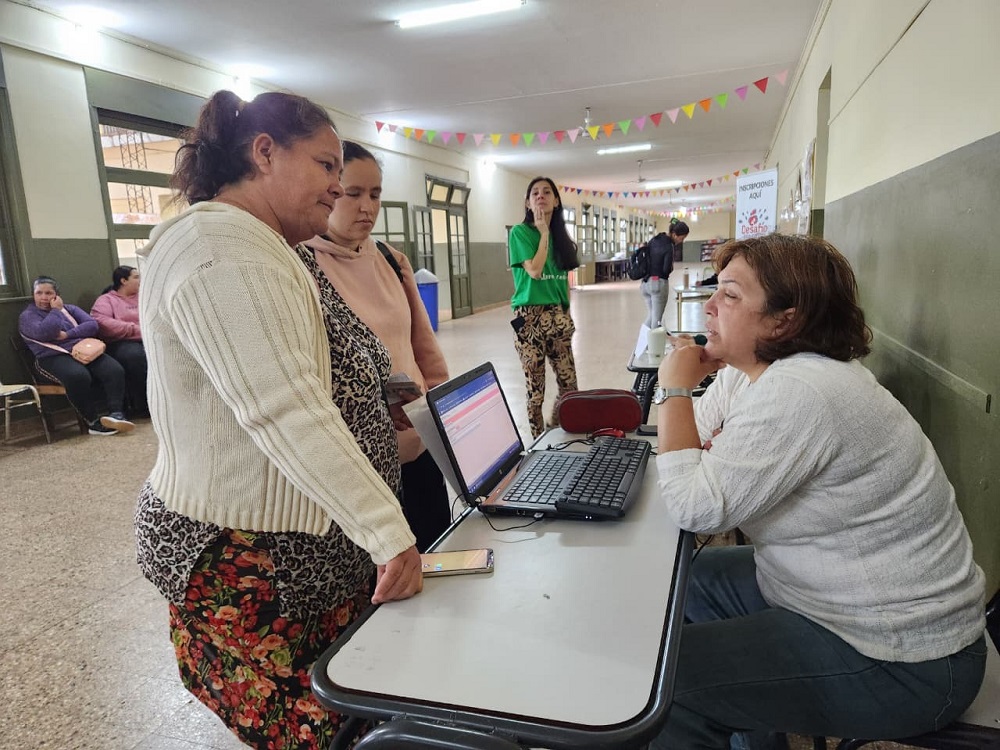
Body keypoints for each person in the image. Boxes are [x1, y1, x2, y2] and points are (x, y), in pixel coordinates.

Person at [133, 90, 422, 750]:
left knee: (349, 699)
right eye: (325, 164)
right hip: (245, 549)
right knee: (314, 725)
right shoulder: (218, 248)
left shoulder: (267, 245)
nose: (338, 184)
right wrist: (386, 531)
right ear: (265, 152)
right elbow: (281, 405)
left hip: (299, 541)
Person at [650, 234, 986, 749]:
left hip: (909, 661)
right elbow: (696, 434)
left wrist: (672, 387)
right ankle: (757, 729)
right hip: (829, 600)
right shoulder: (756, 372)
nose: (710, 304)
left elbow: (695, 506)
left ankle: (716, 709)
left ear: (784, 320)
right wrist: (692, 434)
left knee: (669, 686)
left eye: (732, 296)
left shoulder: (802, 391)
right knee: (697, 578)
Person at [302, 141, 451, 552]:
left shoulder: (389, 258)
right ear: (330, 190)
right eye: (353, 194)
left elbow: (423, 344)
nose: (366, 207)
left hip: (418, 443)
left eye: (375, 194)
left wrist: (439, 411)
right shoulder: (302, 266)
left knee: (437, 549)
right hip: (364, 460)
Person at [508, 176, 580, 438]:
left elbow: (563, 287)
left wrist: (567, 318)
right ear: (528, 202)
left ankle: (555, 427)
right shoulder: (520, 233)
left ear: (556, 201)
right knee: (535, 391)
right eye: (534, 193)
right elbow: (535, 270)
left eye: (547, 192)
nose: (541, 196)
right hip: (529, 319)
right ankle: (538, 442)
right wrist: (544, 233)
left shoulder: (564, 240)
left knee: (569, 385)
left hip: (557, 317)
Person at [18, 276, 135, 436]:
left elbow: (92, 325)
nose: (44, 297)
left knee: (113, 369)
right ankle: (93, 422)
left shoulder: (70, 309)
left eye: (48, 293)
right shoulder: (28, 316)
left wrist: (68, 334)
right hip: (51, 357)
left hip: (82, 351)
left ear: (56, 295)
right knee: (78, 376)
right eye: (39, 293)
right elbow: (47, 332)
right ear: (34, 295)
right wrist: (56, 311)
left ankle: (116, 414)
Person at [91, 265, 148, 417]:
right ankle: (143, 405)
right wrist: (136, 329)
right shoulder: (106, 300)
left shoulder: (144, 296)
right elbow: (102, 322)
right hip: (121, 342)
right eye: (136, 277)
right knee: (135, 357)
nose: (140, 281)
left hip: (149, 339)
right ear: (123, 280)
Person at [639, 220, 689, 329]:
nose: (682, 241)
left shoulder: (654, 240)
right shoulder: (669, 246)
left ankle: (642, 345)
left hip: (645, 283)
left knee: (651, 316)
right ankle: (652, 345)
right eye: (682, 238)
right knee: (656, 321)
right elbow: (666, 270)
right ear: (675, 235)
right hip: (658, 284)